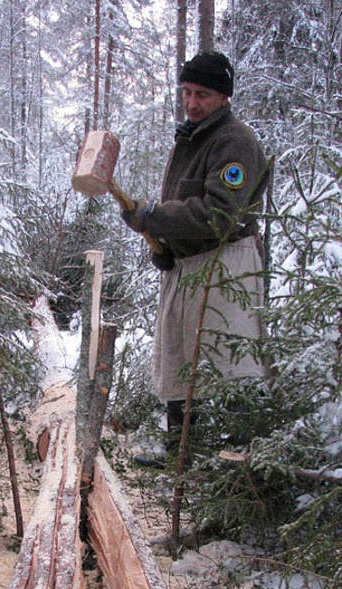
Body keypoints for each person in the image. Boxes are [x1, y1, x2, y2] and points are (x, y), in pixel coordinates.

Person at [122, 51, 270, 454]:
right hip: (189, 268)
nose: (191, 103)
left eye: (202, 94)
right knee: (181, 365)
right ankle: (183, 462)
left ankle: (242, 480)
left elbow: (219, 216)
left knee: (230, 370)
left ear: (223, 97)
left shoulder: (233, 141)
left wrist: (155, 218)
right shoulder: (193, 137)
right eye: (186, 92)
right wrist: (166, 248)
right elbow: (186, 207)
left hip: (226, 269)